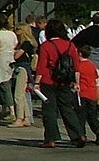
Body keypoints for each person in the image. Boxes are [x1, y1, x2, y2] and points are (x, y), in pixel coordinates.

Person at [35, 19, 86, 149]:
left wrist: (36, 83)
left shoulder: (46, 46)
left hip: (49, 80)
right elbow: (76, 66)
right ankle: (78, 134)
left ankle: (50, 138)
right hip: (65, 81)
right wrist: (76, 82)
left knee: (49, 110)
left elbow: (41, 67)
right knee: (68, 109)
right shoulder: (70, 45)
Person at [74, 43, 99, 145]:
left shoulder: (78, 66)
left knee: (80, 117)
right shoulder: (92, 66)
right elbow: (96, 78)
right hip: (92, 94)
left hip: (82, 94)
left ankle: (81, 135)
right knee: (92, 116)